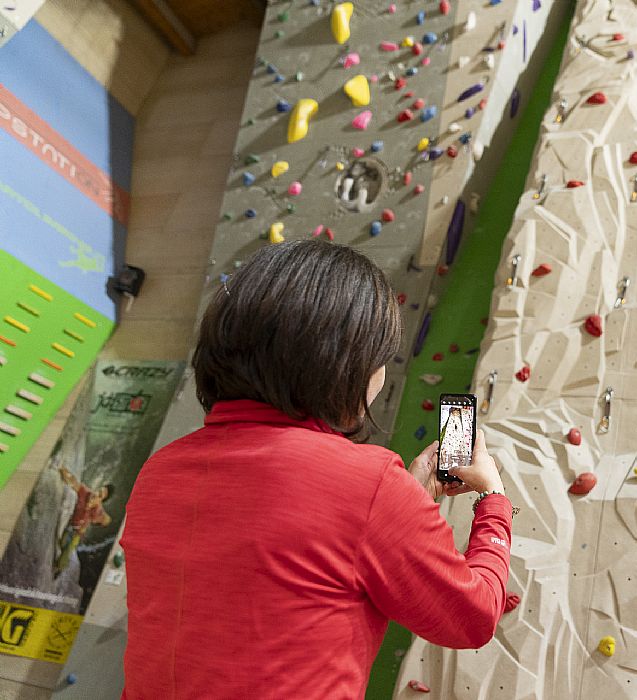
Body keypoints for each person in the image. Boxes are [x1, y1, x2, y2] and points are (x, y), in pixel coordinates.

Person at [121, 241, 514, 699]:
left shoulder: (160, 470)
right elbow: (472, 616)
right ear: (342, 364)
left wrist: (398, 504)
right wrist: (492, 499)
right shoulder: (368, 484)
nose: (381, 379)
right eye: (379, 360)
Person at [52, 467, 113, 577]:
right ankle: (62, 560)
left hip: (78, 533)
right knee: (62, 543)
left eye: (99, 495)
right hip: (71, 525)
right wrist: (62, 469)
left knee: (67, 551)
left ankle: (59, 568)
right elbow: (74, 482)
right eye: (98, 490)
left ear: (101, 501)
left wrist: (104, 519)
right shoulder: (85, 492)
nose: (96, 494)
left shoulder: (97, 511)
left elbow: (106, 520)